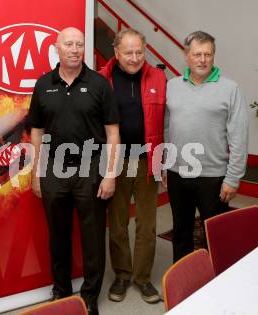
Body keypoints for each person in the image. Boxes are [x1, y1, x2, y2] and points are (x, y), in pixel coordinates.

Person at [28, 27, 120, 315]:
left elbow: (113, 133)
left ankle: (90, 296)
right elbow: (37, 131)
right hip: (54, 170)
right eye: (69, 44)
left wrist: (110, 174)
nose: (74, 49)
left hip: (91, 169)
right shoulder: (43, 85)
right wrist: (36, 172)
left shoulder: (99, 84)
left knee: (93, 237)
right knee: (58, 235)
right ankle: (62, 291)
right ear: (57, 47)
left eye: (79, 44)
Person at [164, 31, 248, 262]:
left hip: (214, 177)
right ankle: (183, 284)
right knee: (181, 233)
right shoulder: (172, 86)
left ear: (213, 56)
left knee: (216, 235)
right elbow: (166, 128)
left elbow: (239, 136)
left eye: (207, 55)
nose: (202, 60)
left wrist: (233, 178)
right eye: (197, 54)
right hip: (178, 174)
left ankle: (218, 286)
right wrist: (165, 165)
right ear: (186, 55)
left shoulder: (230, 89)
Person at [98, 29, 166, 304]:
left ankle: (142, 277)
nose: (135, 58)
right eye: (128, 52)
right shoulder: (102, 80)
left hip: (148, 159)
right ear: (116, 52)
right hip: (116, 162)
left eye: (139, 51)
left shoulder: (159, 77)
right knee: (116, 224)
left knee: (147, 224)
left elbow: (166, 121)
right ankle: (123, 275)